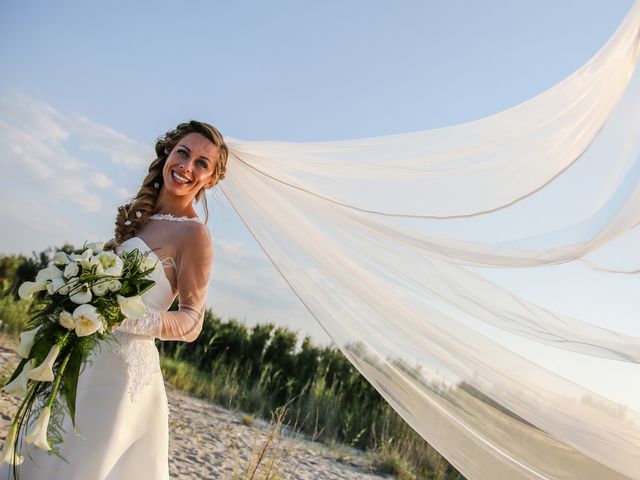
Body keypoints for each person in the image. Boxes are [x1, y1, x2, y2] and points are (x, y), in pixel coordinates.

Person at [1, 120, 228, 479]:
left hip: (120, 377)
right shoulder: (143, 217)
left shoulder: (194, 235)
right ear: (168, 153)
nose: (187, 166)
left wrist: (123, 317)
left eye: (202, 163)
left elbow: (191, 321)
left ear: (212, 179)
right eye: (183, 152)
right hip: (83, 358)